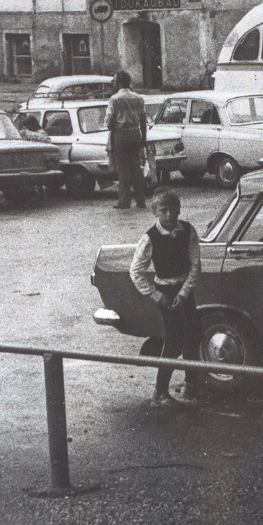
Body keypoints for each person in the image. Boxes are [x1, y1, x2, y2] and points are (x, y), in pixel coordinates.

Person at [129, 189, 203, 406]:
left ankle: (192, 385)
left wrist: (184, 293)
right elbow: (135, 271)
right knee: (172, 343)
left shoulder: (188, 231)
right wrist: (156, 295)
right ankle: (160, 393)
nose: (170, 215)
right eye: (164, 210)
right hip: (165, 295)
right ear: (155, 212)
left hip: (185, 292)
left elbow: (196, 264)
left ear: (180, 209)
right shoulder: (149, 238)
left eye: (173, 210)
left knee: (194, 337)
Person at [106, 70, 147, 209]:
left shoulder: (115, 99)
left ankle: (124, 201)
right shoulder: (138, 98)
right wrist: (144, 138)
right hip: (135, 134)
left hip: (121, 136)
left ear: (119, 82)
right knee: (136, 168)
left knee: (123, 170)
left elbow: (109, 122)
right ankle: (141, 200)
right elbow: (143, 120)